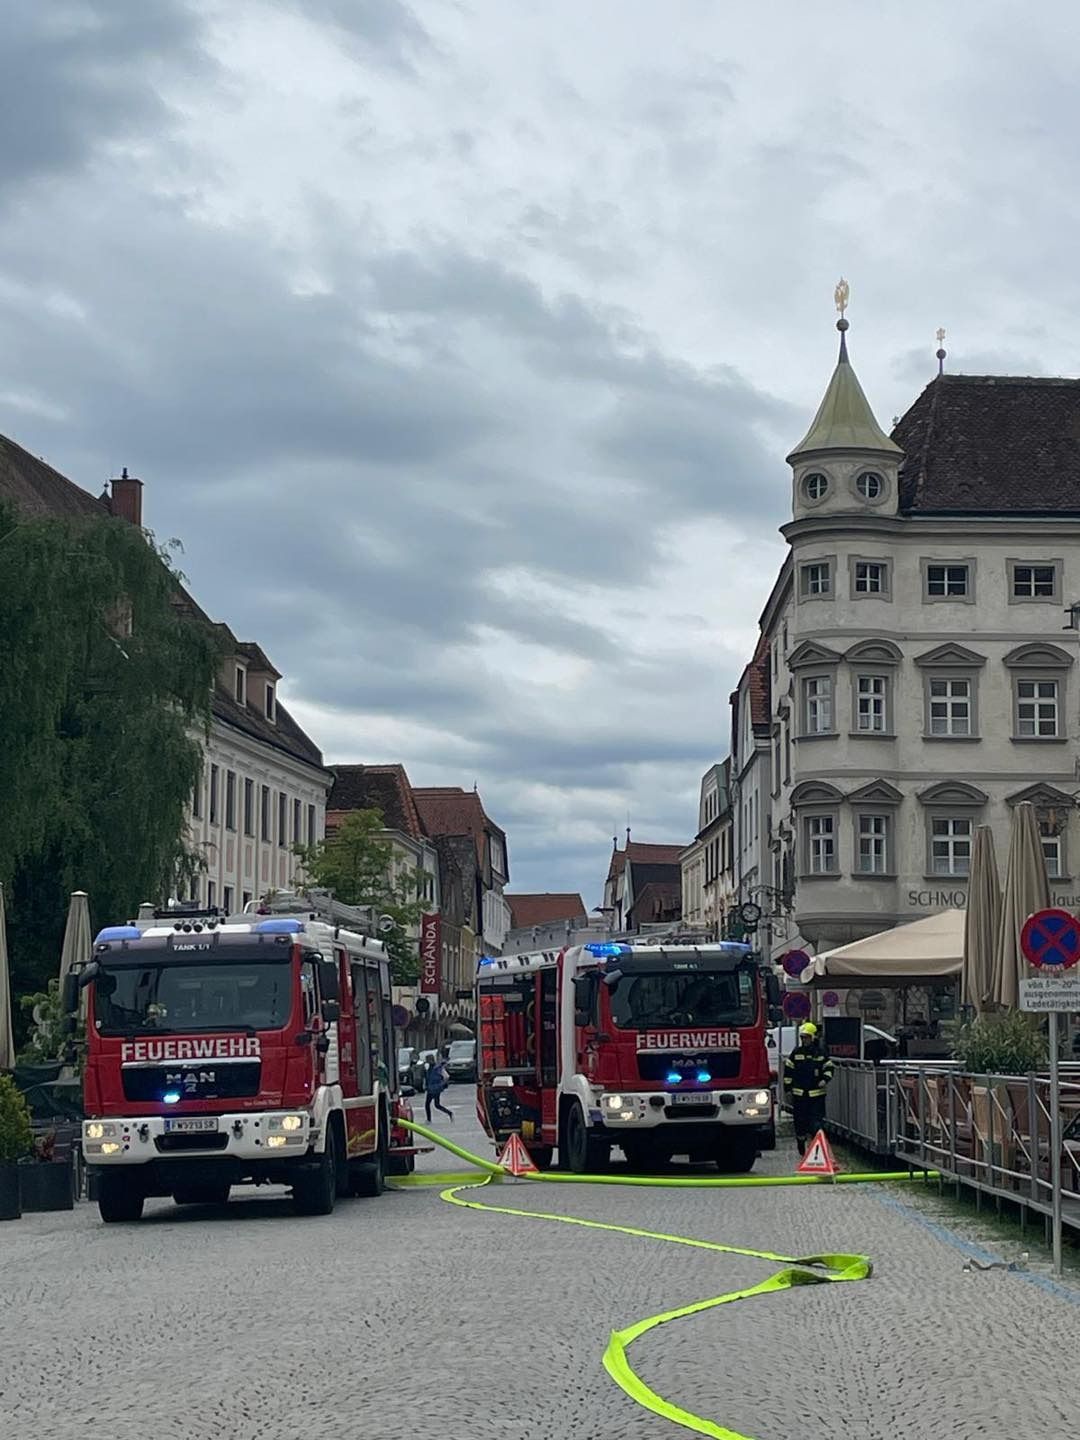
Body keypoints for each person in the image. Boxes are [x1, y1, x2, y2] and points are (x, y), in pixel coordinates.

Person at [783, 1021, 833, 1155]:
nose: (804, 1040)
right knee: (800, 1123)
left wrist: (825, 1079)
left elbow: (829, 1067)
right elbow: (788, 1071)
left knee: (816, 1123)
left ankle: (816, 1149)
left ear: (812, 1037)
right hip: (800, 1096)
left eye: (806, 1037)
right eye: (802, 1037)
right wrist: (788, 1089)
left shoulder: (820, 1053)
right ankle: (801, 1142)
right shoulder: (796, 1053)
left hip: (817, 1095)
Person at [424, 1055, 454, 1124]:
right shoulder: (434, 1067)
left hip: (433, 1089)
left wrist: (441, 1084)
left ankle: (429, 1120)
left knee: (428, 1104)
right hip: (435, 1089)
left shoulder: (435, 1068)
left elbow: (446, 1077)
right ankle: (449, 1113)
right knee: (436, 1105)